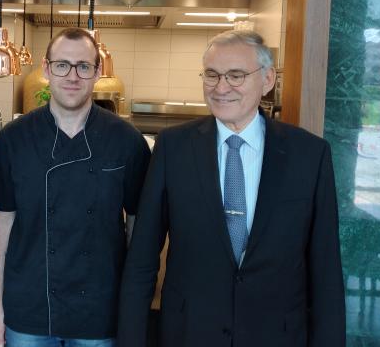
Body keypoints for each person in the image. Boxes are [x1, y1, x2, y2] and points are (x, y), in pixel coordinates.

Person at [118, 30, 345, 347]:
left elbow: (326, 270)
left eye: (236, 76)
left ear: (267, 80)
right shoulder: (173, 148)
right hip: (190, 332)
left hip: (276, 335)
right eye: (212, 75)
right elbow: (143, 257)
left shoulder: (309, 155)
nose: (221, 87)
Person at [0, 28, 151, 347]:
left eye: (83, 66)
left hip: (99, 308)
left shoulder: (127, 141)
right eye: (62, 65)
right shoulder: (14, 139)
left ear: (97, 72)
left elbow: (138, 227)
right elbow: (4, 224)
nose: (72, 76)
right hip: (29, 306)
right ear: (46, 69)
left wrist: (130, 305)